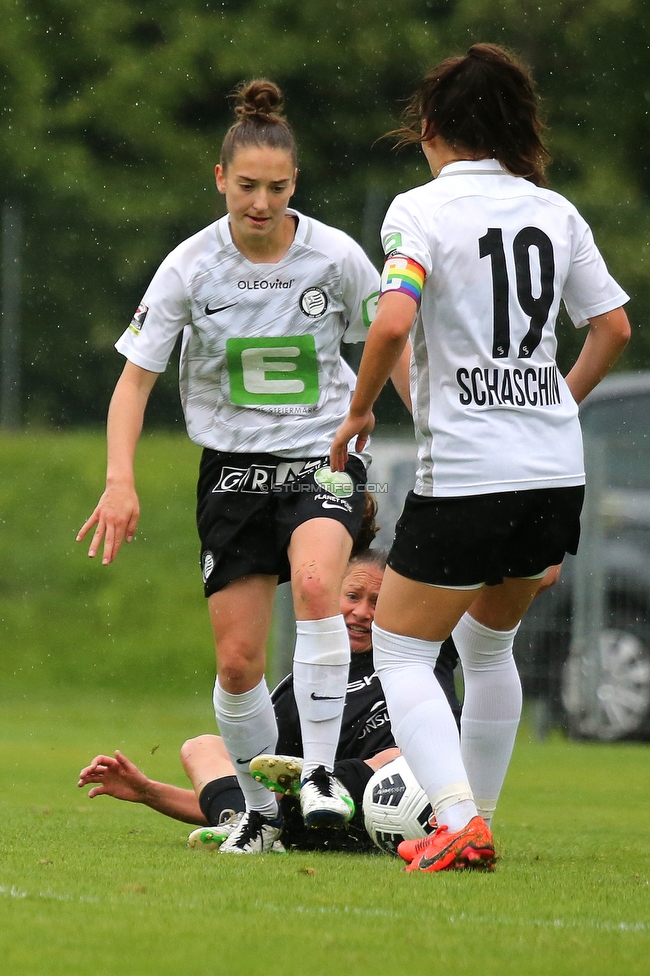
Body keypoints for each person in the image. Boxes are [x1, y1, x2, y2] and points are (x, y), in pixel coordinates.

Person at [76, 78, 413, 854]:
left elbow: (388, 347)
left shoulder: (336, 257)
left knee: (323, 585)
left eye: (279, 187)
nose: (262, 202)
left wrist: (433, 437)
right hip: (231, 472)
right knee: (237, 665)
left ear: (296, 186)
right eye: (248, 186)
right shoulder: (190, 267)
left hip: (319, 460)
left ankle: (321, 774)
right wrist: (119, 479)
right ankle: (264, 816)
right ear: (221, 179)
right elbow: (134, 380)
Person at [330, 44, 631, 873]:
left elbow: (392, 324)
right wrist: (556, 405)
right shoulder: (555, 211)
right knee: (488, 649)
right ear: (514, 129)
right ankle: (478, 817)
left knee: (398, 650)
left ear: (429, 128)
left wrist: (358, 411)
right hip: (550, 468)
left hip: (470, 472)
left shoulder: (418, 210)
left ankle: (457, 818)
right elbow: (612, 329)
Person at [78, 550, 462, 853]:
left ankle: (315, 783)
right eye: (352, 596)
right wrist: (148, 792)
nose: (361, 612)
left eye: (377, 602)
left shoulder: (421, 658)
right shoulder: (308, 684)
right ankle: (248, 821)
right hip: (302, 824)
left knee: (399, 757)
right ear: (333, 597)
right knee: (202, 747)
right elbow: (264, 783)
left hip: (385, 815)